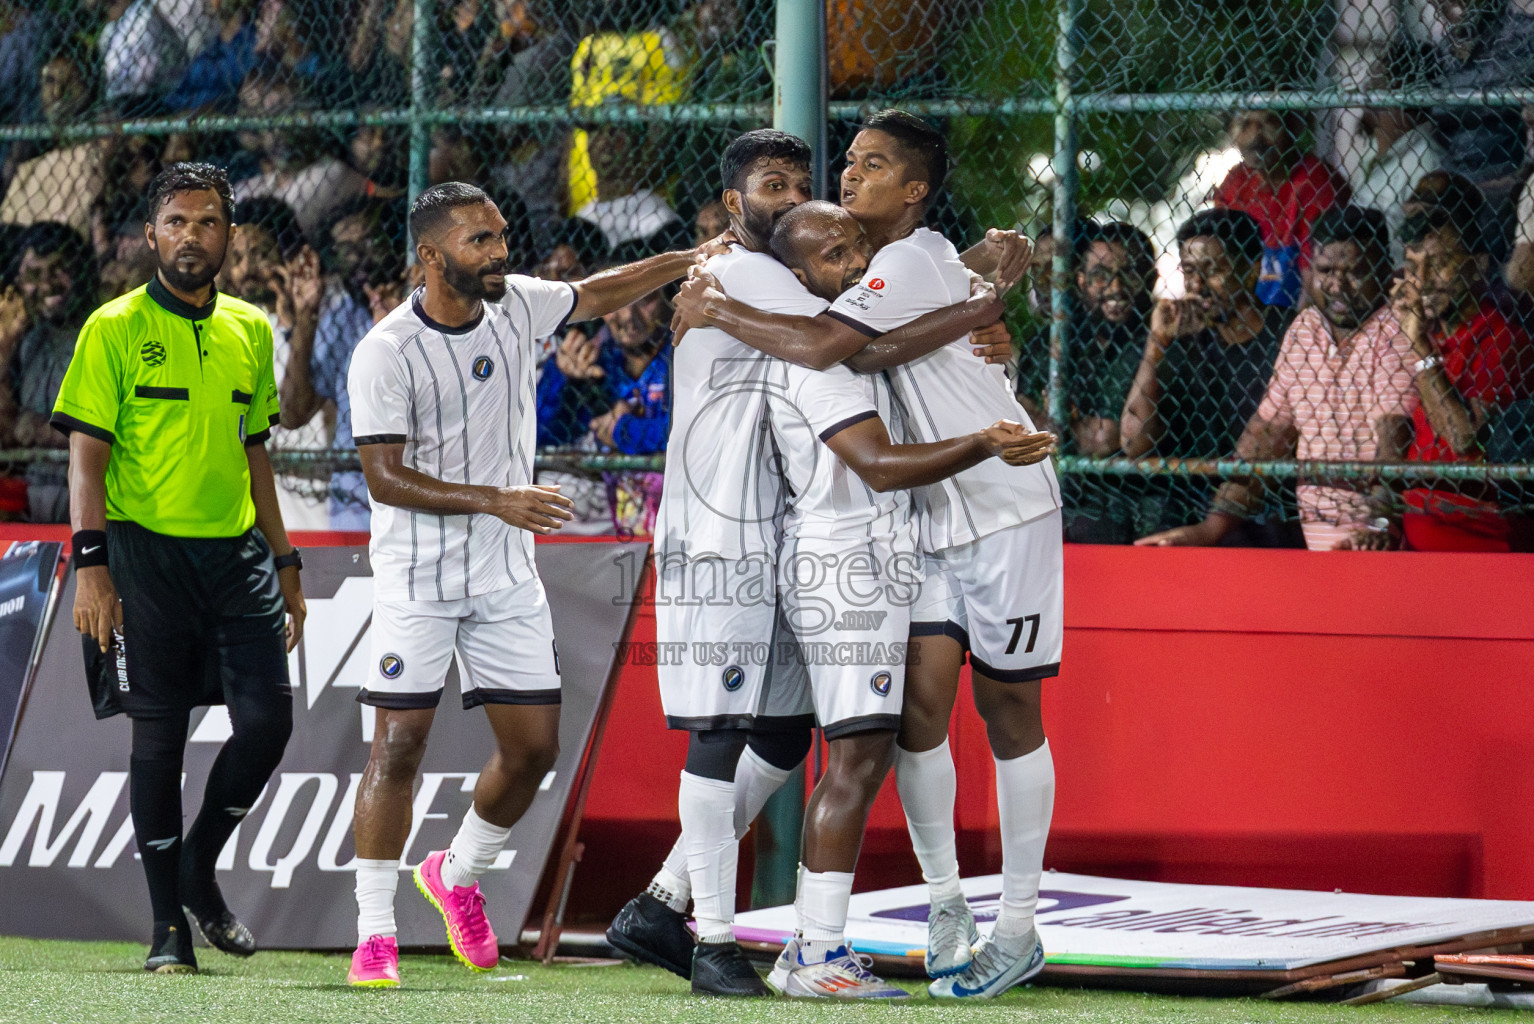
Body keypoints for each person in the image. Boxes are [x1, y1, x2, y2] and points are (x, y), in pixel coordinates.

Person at [607, 127, 1018, 997]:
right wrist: (977, 304)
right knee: (748, 739)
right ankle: (731, 943)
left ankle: (665, 899)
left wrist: (974, 280)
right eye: (774, 185)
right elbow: (858, 342)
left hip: (786, 539)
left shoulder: (783, 277)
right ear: (734, 204)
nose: (794, 198)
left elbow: (879, 303)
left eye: (804, 182)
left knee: (787, 736)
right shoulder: (758, 277)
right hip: (731, 542)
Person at [344, 181, 711, 989]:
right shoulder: (386, 351)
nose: (500, 252)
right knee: (397, 748)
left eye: (502, 235)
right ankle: (374, 936)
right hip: (418, 577)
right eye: (480, 241)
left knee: (534, 749)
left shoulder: (516, 303)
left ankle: (458, 874)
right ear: (432, 257)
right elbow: (384, 477)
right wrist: (495, 499)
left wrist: (687, 259)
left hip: (505, 576)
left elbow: (597, 292)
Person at [759, 200, 1055, 999]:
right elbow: (880, 453)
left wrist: (985, 323)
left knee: (971, 717)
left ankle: (1008, 927)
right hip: (859, 556)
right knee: (871, 747)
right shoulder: (826, 348)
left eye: (857, 249)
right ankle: (855, 935)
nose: (855, 266)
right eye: (833, 255)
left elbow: (936, 348)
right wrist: (979, 305)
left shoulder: (897, 291)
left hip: (959, 531)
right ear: (796, 275)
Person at [49, 162, 306, 973]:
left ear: (229, 235)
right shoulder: (112, 328)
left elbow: (256, 451)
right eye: (176, 222)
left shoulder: (252, 330)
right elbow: (85, 461)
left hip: (236, 560)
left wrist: (286, 560)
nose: (191, 236)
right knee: (158, 742)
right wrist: (92, 567)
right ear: (151, 234)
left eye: (207, 223)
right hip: (141, 556)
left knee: (268, 724)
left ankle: (199, 862)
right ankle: (168, 928)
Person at [1136, 207, 1419, 551]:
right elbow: (1266, 436)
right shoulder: (1305, 329)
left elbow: (1394, 443)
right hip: (1318, 543)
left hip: (1380, 543)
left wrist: (1378, 527)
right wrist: (1210, 529)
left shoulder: (1396, 331)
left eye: (1355, 271)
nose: (1337, 285)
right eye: (1326, 270)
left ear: (1385, 272)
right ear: (1310, 270)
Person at [1121, 209, 1294, 541]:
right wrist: (1156, 344)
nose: (1197, 285)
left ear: (1251, 268)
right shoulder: (1185, 339)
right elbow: (1134, 443)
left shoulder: (1290, 333)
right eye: (1189, 271)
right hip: (1196, 499)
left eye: (1213, 270)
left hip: (1273, 501)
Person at [1394, 196, 1534, 551]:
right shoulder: (1425, 330)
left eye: (1439, 264)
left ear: (1477, 266)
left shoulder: (1503, 339)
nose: (1422, 281)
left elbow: (1463, 439)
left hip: (1479, 544)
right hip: (1416, 534)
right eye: (1413, 267)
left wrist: (1421, 348)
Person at [279, 198, 404, 530]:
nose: (360, 258)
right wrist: (306, 316)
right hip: (352, 514)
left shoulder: (428, 309)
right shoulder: (341, 317)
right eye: (347, 250)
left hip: (416, 510)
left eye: (370, 243)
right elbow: (292, 414)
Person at [222, 196, 332, 529]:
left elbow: (293, 410)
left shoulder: (326, 312)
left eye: (261, 254)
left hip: (318, 504)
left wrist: (300, 319)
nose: (247, 269)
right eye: (238, 257)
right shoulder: (235, 326)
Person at [1059, 221, 1156, 543]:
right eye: (1101, 275)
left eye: (1129, 274)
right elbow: (1033, 426)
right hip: (1076, 490)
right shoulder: (1066, 339)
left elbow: (1115, 438)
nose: (1116, 287)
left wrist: (1066, 423)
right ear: (1081, 281)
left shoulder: (1157, 341)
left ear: (1150, 279)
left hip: (1143, 492)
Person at [0, 223, 96, 522]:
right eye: (34, 275)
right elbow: (7, 429)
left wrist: (38, 430)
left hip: (91, 493)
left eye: (58, 270)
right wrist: (5, 346)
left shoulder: (102, 331)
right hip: (33, 495)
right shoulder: (28, 340)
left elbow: (113, 432)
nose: (47, 284)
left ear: (80, 270)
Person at [1212, 110, 1349, 307]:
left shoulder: (1315, 182)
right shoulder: (1235, 183)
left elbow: (1315, 277)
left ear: (1292, 128)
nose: (1255, 136)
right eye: (1244, 125)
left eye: (1268, 123)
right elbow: (1219, 265)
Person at [1350, 43, 1445, 265]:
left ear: (1402, 94)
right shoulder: (1374, 154)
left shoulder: (1426, 159)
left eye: (1374, 95)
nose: (1365, 107)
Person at [0, 51, 105, 238]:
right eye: (49, 81)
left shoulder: (97, 154)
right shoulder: (29, 162)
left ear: (88, 89)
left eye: (71, 81)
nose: (58, 93)